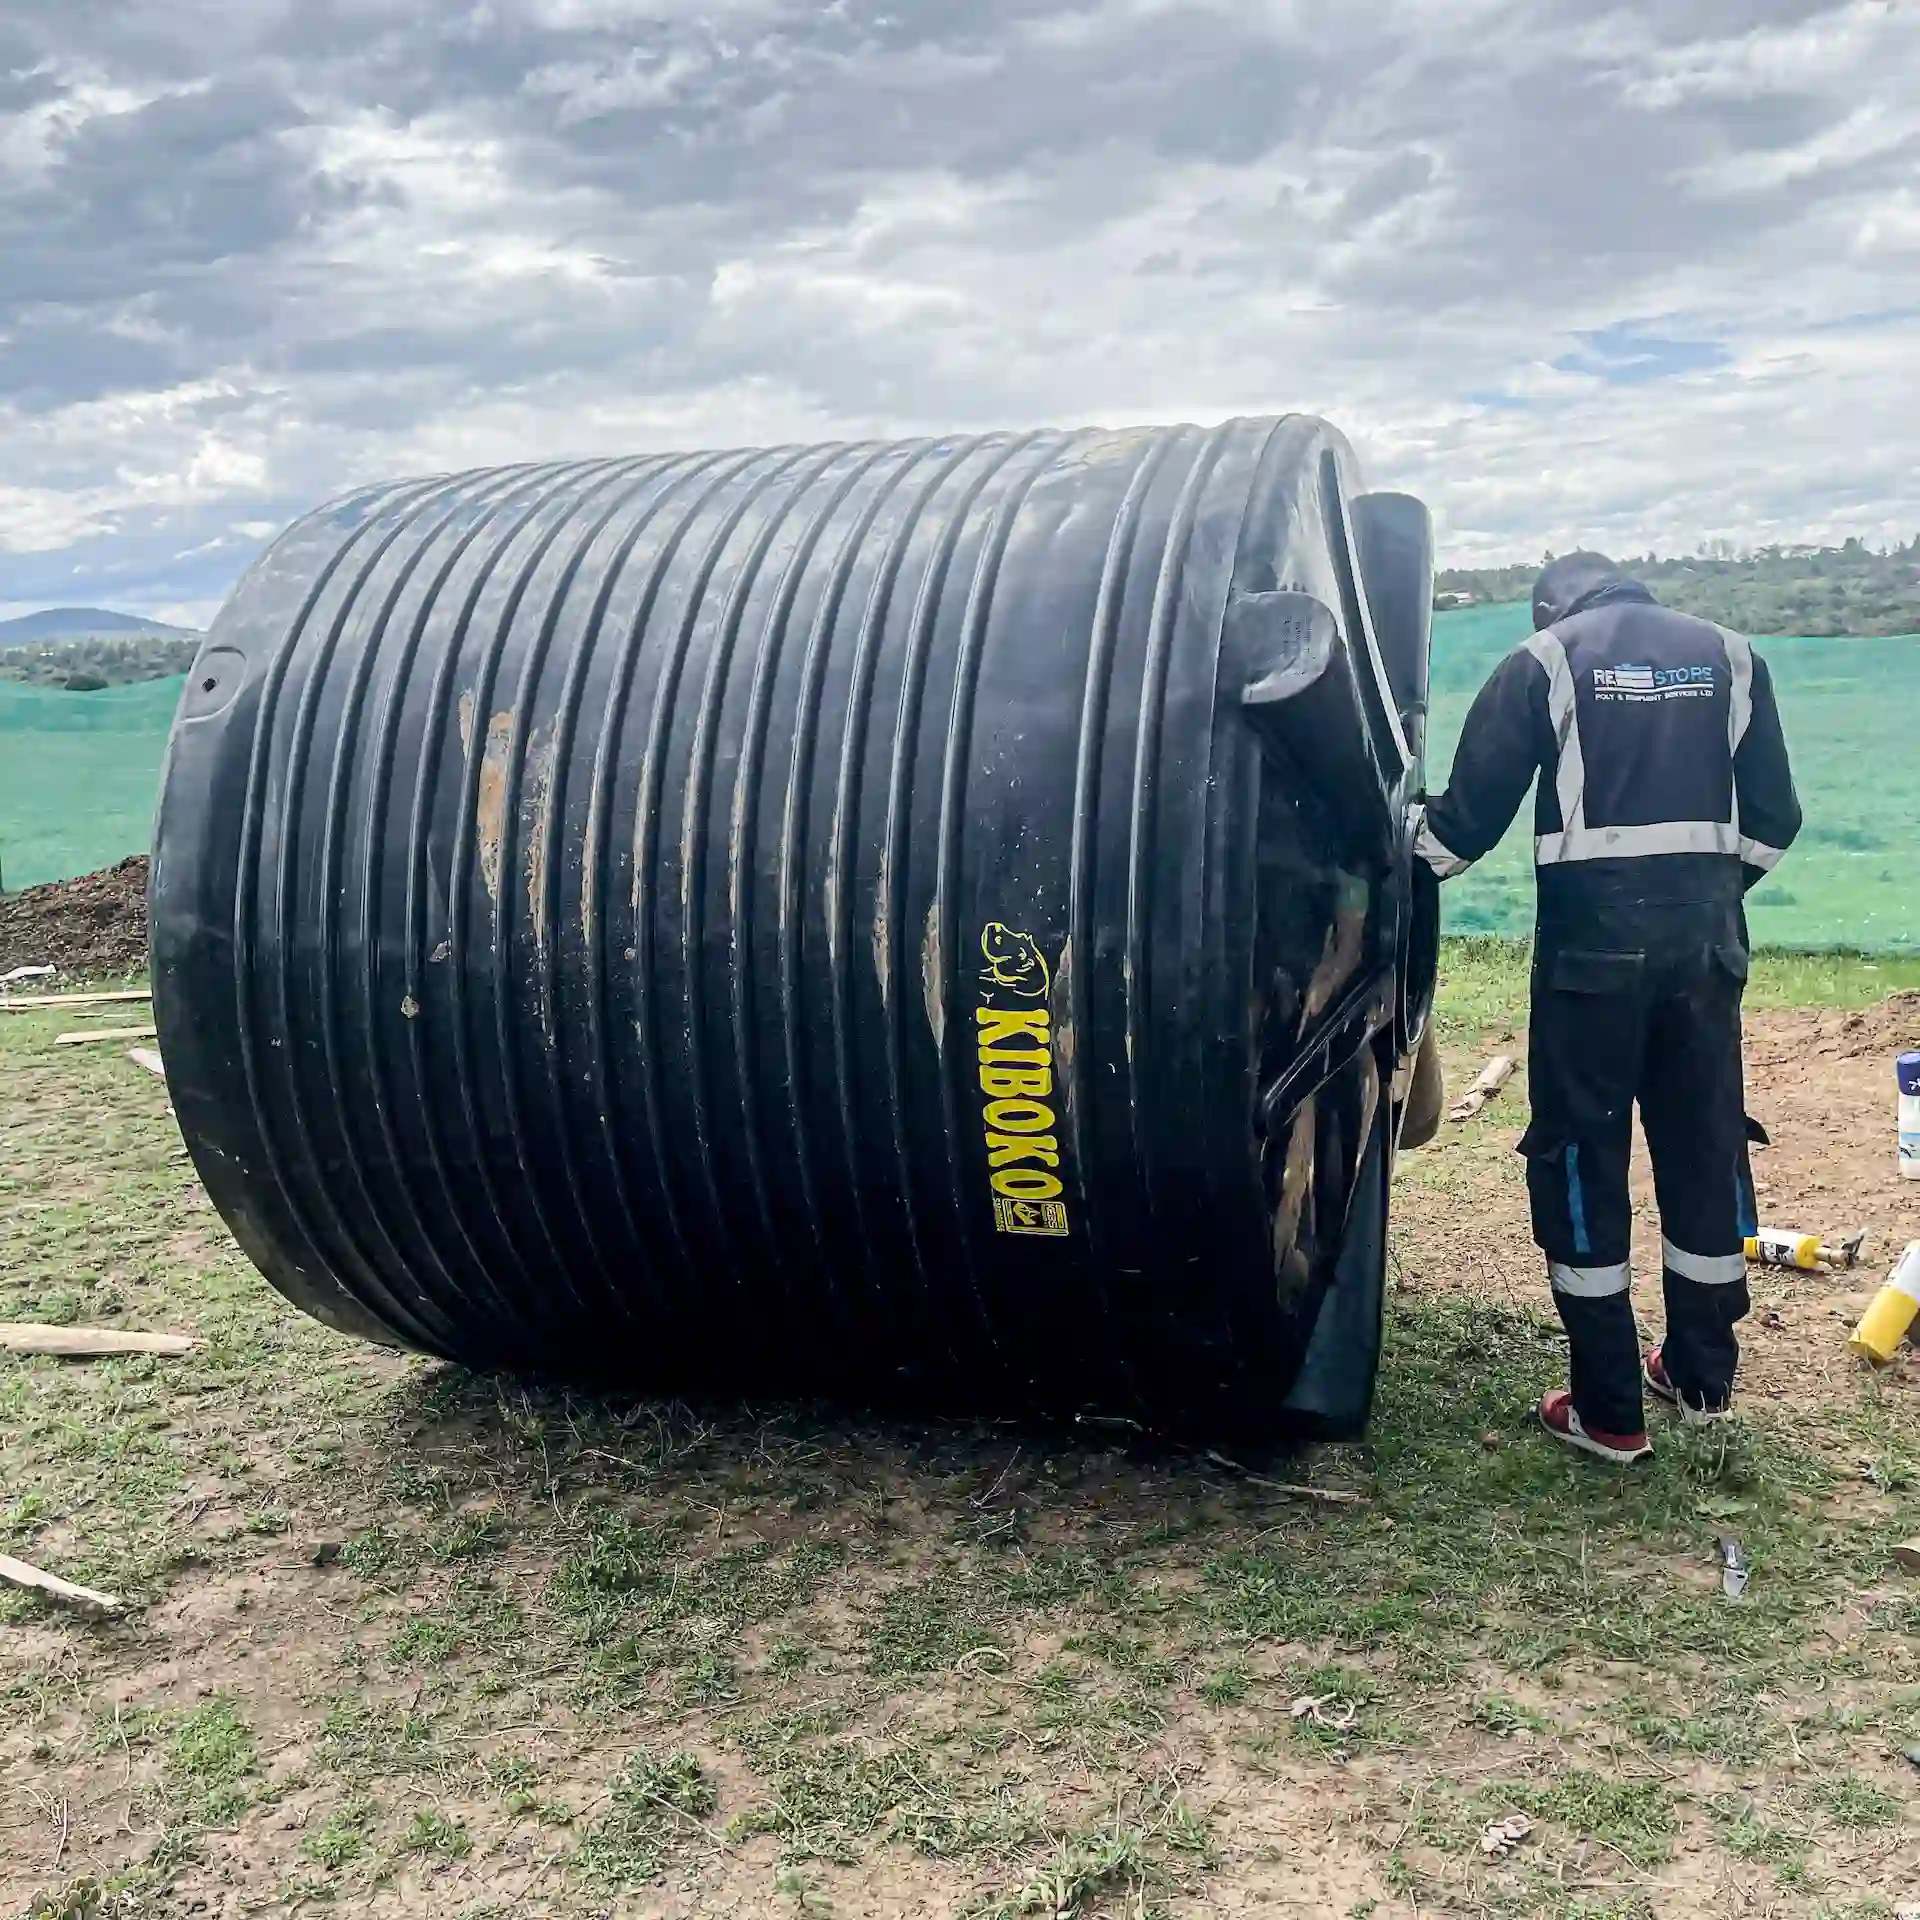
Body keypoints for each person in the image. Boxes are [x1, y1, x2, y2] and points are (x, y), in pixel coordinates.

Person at [1415, 553, 1802, 1463]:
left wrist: (1380, 832)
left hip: (1592, 963)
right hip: (1708, 952)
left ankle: (1610, 1413)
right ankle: (1702, 1378)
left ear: (1551, 605)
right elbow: (1777, 819)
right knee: (1704, 1145)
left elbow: (1453, 840)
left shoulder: (1542, 662)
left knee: (1582, 1157)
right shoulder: (1735, 657)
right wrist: (1705, 893)